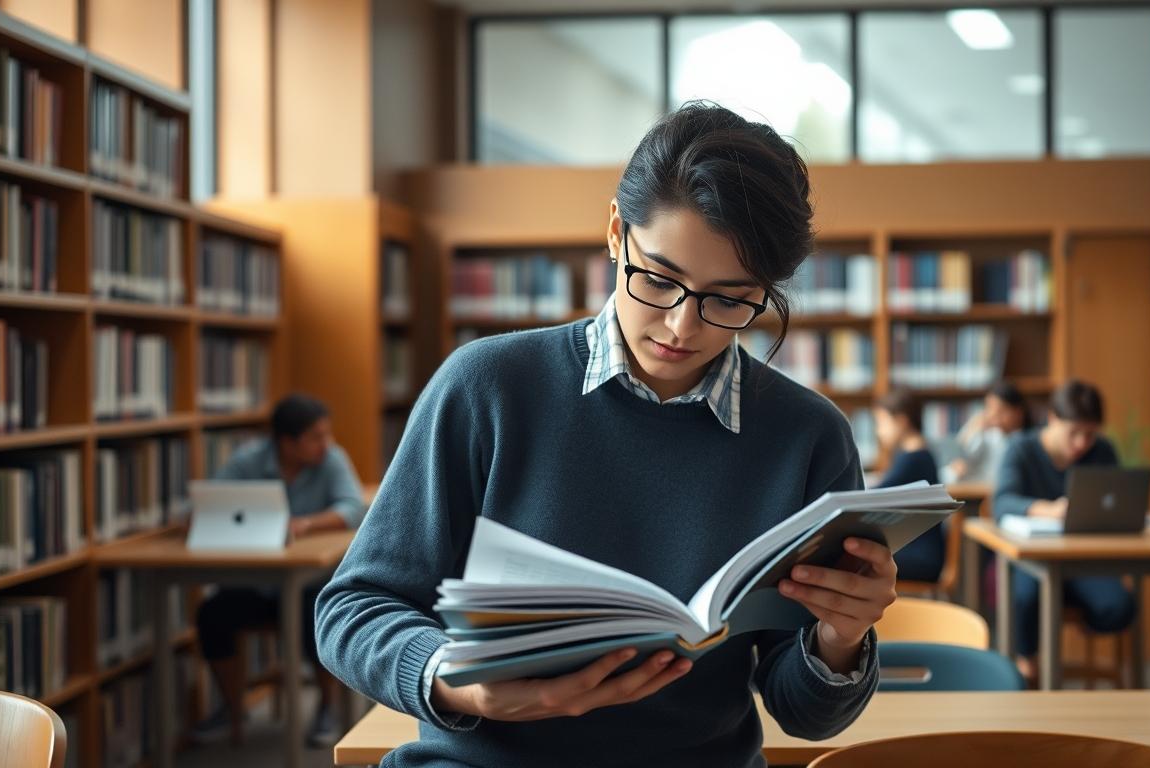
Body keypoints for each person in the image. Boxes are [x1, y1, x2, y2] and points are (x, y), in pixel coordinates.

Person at [315, 102, 897, 768]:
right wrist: (458, 681)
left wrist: (840, 640)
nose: (682, 326)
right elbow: (353, 608)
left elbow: (802, 714)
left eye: (728, 300)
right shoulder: (488, 388)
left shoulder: (807, 436)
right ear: (617, 233)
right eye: (659, 280)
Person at [192, 394, 366, 747]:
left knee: (315, 614)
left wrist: (304, 525)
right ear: (287, 442)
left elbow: (353, 508)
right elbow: (208, 505)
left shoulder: (331, 459)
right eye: (316, 436)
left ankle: (327, 708)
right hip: (259, 581)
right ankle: (233, 706)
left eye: (326, 434)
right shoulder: (247, 462)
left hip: (309, 581)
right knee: (212, 614)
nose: (326, 443)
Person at [992, 379, 1136, 681]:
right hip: (1033, 561)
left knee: (1119, 606)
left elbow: (1118, 501)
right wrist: (1051, 509)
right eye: (1074, 433)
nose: (1082, 443)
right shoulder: (1022, 449)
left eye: (1090, 434)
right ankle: (1026, 664)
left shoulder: (1102, 451)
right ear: (1053, 419)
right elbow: (1002, 503)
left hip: (1085, 562)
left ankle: (1063, 655)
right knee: (1025, 597)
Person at [872, 388, 942, 583]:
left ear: (901, 421)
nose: (879, 431)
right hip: (916, 547)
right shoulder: (919, 453)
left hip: (921, 555)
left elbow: (872, 498)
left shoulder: (914, 458)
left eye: (881, 423)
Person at [940, 380, 1032, 484]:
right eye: (989, 408)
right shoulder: (985, 434)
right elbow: (957, 462)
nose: (992, 415)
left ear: (1018, 413)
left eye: (1000, 411)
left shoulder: (1025, 442)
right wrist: (972, 430)